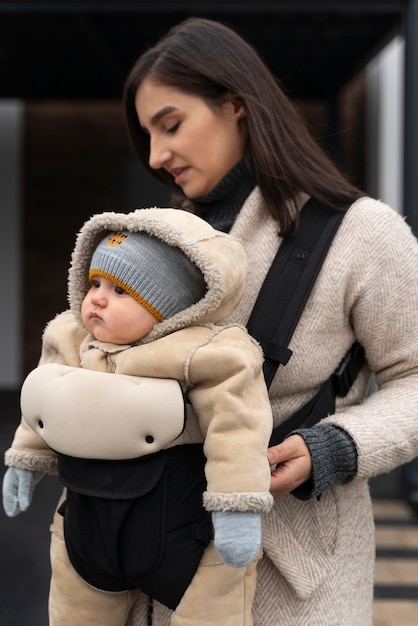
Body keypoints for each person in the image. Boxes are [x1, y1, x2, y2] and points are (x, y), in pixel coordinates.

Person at [119, 16, 418, 626]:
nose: (156, 155)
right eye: (146, 135)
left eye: (170, 125)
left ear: (235, 105)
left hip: (298, 581)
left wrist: (334, 447)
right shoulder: (161, 237)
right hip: (153, 564)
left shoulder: (364, 234)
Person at [2, 207, 274, 625]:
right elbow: (44, 406)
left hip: (185, 528)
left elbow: (238, 429)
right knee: (76, 606)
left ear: (170, 309)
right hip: (86, 525)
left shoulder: (206, 353)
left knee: (215, 603)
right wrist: (26, 460)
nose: (96, 298)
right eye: (95, 283)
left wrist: (237, 506)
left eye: (121, 291)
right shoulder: (71, 338)